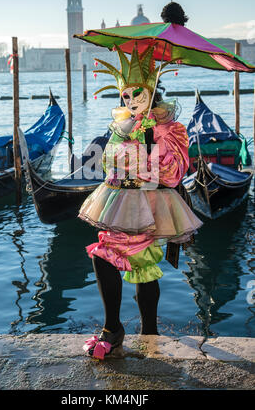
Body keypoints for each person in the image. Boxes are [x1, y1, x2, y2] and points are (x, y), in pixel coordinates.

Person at [79, 37, 202, 360]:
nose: (131, 100)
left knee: (139, 265)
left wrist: (150, 141)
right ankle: (122, 329)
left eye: (138, 94)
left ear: (152, 94)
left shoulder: (169, 128)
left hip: (152, 206)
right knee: (107, 257)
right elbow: (107, 166)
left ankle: (139, 331)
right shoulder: (122, 127)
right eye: (125, 95)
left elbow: (175, 173)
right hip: (119, 202)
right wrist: (126, 139)